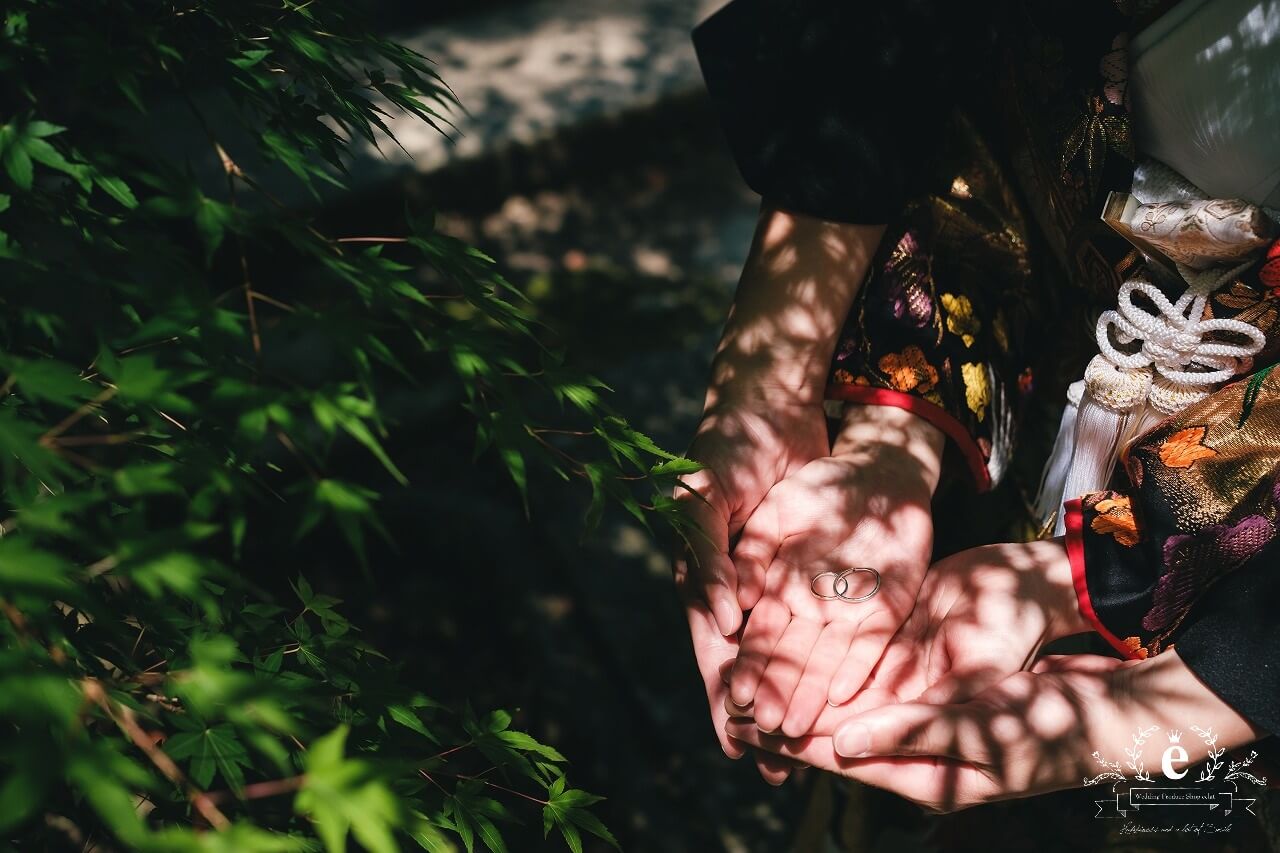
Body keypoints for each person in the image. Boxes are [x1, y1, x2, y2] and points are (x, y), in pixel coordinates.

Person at [674, 0, 1280, 811]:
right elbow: (970, 118)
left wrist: (1228, 667)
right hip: (1007, 465)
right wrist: (882, 427)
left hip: (1240, 596)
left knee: (1189, 810)